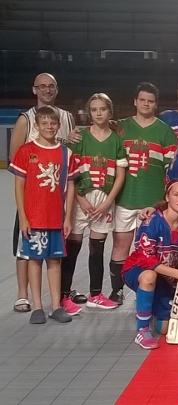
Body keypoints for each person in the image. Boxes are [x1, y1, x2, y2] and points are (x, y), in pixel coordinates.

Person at [9, 73, 78, 313]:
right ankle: (23, 294)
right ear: (34, 89)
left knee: (55, 255)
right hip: (33, 197)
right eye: (42, 86)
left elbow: (70, 152)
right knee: (27, 249)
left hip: (55, 198)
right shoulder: (26, 119)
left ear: (56, 89)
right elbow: (15, 158)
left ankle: (60, 296)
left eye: (51, 86)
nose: (47, 90)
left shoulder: (66, 117)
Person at [110, 82, 178, 306]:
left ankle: (149, 289)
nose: (146, 104)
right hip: (125, 198)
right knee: (120, 245)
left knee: (151, 250)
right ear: (135, 101)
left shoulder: (164, 131)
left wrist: (163, 203)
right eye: (142, 100)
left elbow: (171, 171)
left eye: (150, 101)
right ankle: (117, 291)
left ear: (155, 104)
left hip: (152, 202)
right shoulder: (120, 128)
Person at [61, 93, 128, 314]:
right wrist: (80, 200)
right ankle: (64, 295)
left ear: (110, 111)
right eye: (94, 109)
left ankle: (95, 295)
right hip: (81, 198)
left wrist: (108, 202)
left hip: (104, 200)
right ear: (89, 112)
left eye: (102, 109)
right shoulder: (80, 138)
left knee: (97, 249)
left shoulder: (116, 140)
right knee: (73, 247)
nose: (98, 113)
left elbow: (120, 175)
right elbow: (71, 173)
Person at [122, 180, 178, 349]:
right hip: (138, 268)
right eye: (176, 195)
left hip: (166, 277)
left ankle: (150, 304)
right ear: (167, 197)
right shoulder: (152, 221)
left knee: (164, 329)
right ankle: (142, 330)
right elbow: (147, 260)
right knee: (149, 276)